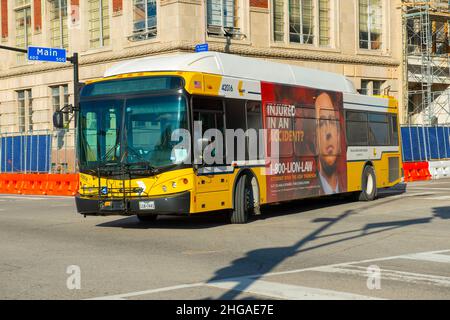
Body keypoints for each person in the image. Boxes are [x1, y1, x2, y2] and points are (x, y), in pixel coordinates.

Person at [315, 92, 344, 195]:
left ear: (338, 134)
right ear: (315, 137)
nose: (328, 133)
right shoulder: (311, 189)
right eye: (322, 123)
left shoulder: (344, 184)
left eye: (332, 121)